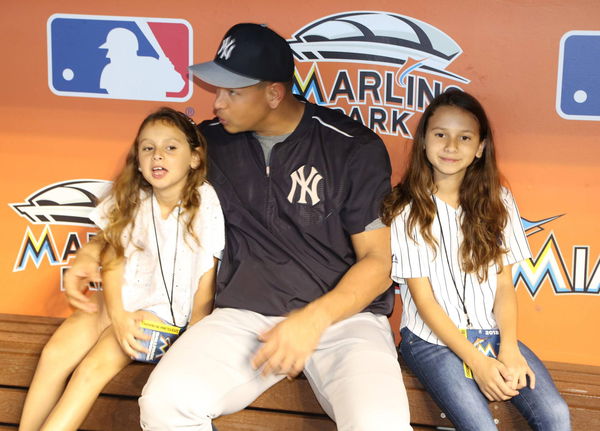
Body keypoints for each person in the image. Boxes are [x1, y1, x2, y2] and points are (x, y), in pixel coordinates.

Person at [64, 23, 411, 430]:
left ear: (273, 94)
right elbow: (140, 206)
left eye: (233, 92)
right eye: (217, 89)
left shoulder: (350, 146)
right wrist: (92, 251)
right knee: (164, 403)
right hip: (244, 316)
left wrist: (312, 320)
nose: (218, 103)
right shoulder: (208, 143)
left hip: (342, 320)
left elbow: (377, 262)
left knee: (380, 424)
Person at [19, 107, 224, 431]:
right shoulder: (132, 195)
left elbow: (206, 278)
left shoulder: (204, 200)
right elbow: (112, 261)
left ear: (194, 158)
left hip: (163, 317)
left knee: (90, 370)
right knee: (55, 354)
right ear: (138, 159)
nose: (158, 156)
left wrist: (193, 344)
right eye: (148, 148)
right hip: (121, 301)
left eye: (171, 147)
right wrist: (116, 313)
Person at [381, 89, 570, 430]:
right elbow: (424, 301)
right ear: (424, 141)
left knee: (555, 414)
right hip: (430, 341)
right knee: (481, 427)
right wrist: (477, 363)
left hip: (493, 333)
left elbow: (502, 286)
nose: (451, 147)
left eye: (464, 137)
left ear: (480, 147)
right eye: (441, 135)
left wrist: (508, 349)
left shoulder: (498, 200)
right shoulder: (406, 208)